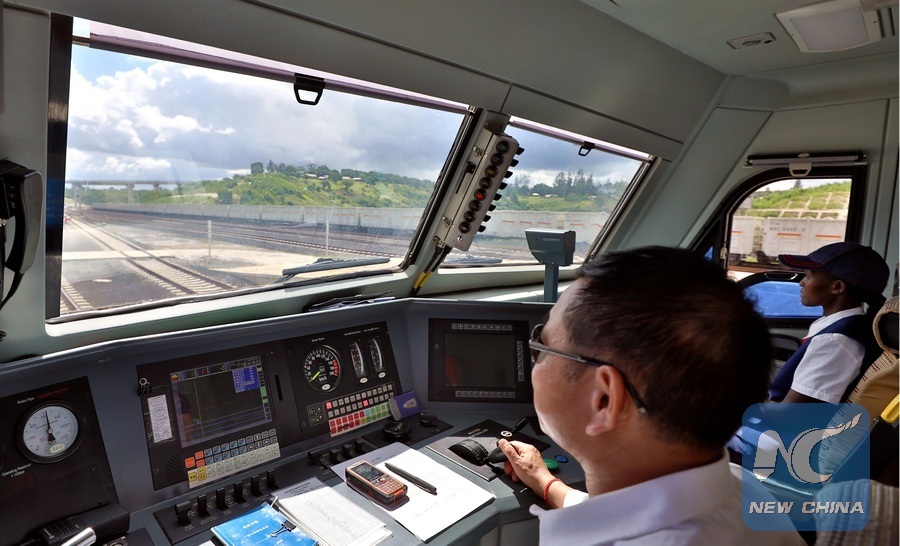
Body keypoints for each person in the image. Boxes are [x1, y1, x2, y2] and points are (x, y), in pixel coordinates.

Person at [496, 246, 804, 545]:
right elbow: (624, 515)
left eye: (542, 343)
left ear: (603, 399)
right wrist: (547, 484)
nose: (535, 353)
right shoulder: (741, 486)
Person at [768, 241, 889, 403]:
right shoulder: (841, 326)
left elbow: (789, 412)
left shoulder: (834, 340)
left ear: (837, 287)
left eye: (808, 275)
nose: (801, 282)